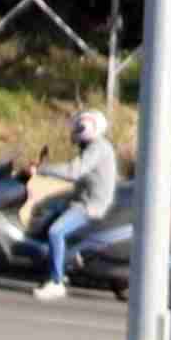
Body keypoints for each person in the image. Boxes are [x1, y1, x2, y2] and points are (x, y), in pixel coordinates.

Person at [33, 107, 123, 299]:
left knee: (55, 231)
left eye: (79, 128)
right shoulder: (95, 146)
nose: (75, 132)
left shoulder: (98, 148)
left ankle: (56, 282)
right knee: (45, 213)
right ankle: (56, 266)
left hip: (90, 206)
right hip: (81, 201)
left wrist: (44, 169)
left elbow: (74, 171)